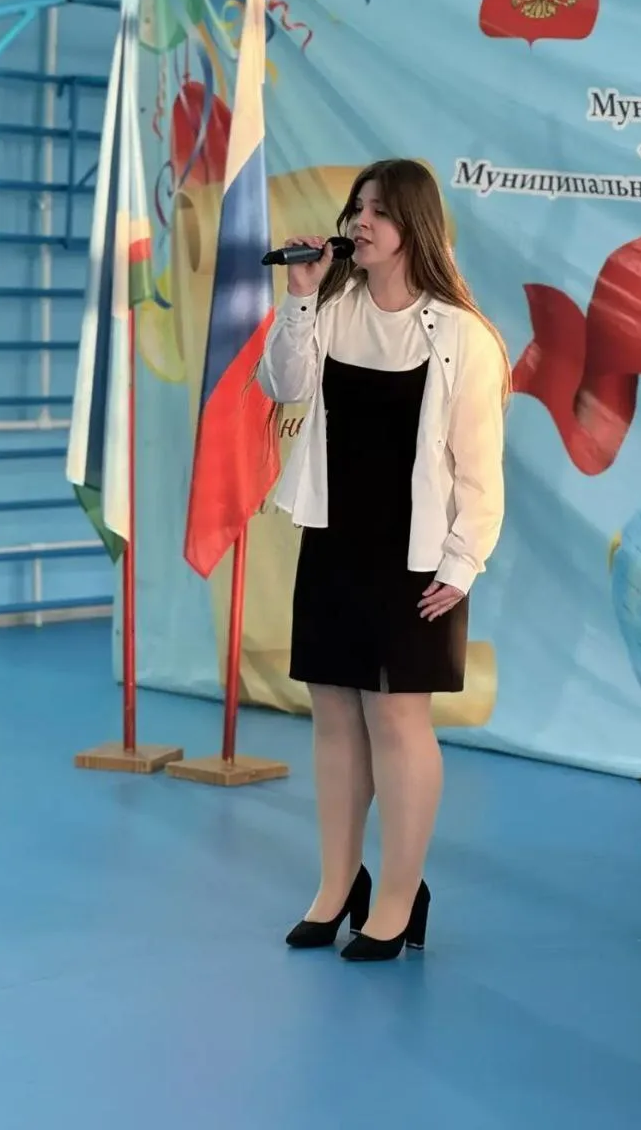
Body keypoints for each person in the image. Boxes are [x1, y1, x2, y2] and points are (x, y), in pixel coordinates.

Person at [257, 158, 509, 962]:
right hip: (335, 541)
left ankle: (399, 897)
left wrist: (462, 566)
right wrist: (301, 294)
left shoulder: (463, 336)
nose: (360, 223)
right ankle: (338, 885)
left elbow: (481, 471)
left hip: (417, 559)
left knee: (396, 721)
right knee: (334, 716)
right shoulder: (332, 308)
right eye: (356, 209)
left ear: (413, 228)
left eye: (378, 211)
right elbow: (283, 384)